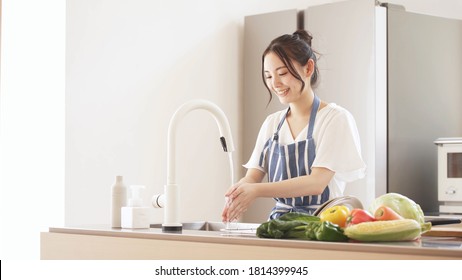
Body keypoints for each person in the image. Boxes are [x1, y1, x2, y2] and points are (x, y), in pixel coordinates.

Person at [222, 29, 366, 222]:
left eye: (282, 73)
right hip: (281, 226)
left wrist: (255, 190)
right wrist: (237, 194)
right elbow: (252, 177)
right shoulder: (272, 123)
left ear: (308, 69)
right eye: (269, 76)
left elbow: (316, 183)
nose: (275, 83)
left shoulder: (335, 118)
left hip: (325, 226)